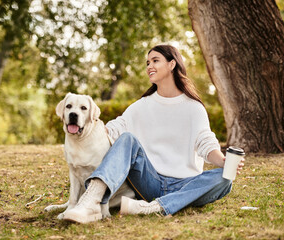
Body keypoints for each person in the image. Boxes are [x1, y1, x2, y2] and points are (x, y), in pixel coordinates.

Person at [62, 44, 245, 224]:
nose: (149, 66)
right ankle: (91, 201)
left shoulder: (194, 108)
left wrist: (223, 161)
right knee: (127, 139)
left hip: (184, 184)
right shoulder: (141, 106)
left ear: (172, 64)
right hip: (148, 181)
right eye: (147, 62)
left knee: (224, 179)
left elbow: (206, 144)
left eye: (155, 61)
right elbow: (114, 129)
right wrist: (84, 118)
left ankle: (152, 207)